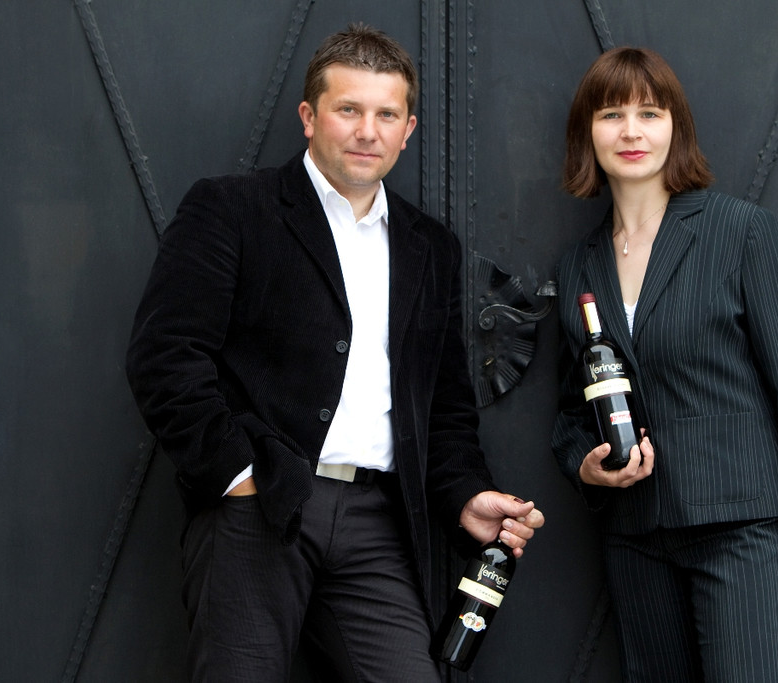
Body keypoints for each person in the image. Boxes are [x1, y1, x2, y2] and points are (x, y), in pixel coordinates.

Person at [126, 23, 544, 682]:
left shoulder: (429, 246)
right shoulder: (233, 208)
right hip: (259, 502)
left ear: (407, 129)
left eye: (386, 115)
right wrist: (237, 473)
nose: (367, 131)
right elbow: (165, 356)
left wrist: (465, 496)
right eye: (348, 109)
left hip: (378, 518)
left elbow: (442, 405)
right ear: (309, 116)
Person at [551, 47, 778, 682]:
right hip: (636, 538)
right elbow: (572, 410)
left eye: (649, 114)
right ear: (586, 133)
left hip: (740, 530)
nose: (631, 131)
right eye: (611, 115)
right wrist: (585, 466)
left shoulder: (740, 232)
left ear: (675, 127)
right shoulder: (577, 266)